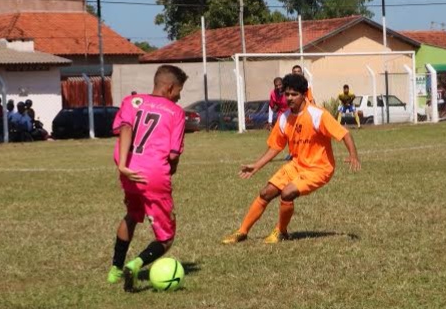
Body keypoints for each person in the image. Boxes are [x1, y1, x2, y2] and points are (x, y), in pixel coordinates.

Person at [222, 72, 361, 244]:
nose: (289, 98)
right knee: (266, 193)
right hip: (296, 165)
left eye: (294, 94)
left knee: (287, 193)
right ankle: (242, 232)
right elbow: (275, 146)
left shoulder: (318, 115)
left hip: (319, 168)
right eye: (287, 94)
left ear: (304, 95)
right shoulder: (284, 117)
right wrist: (257, 166)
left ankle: (281, 231)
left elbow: (345, 134)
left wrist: (353, 155)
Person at [108, 65, 189, 292]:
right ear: (170, 87)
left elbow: (125, 127)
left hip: (128, 171)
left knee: (132, 215)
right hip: (153, 173)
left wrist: (123, 165)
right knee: (166, 237)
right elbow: (173, 155)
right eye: (179, 90)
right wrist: (170, 171)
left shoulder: (132, 102)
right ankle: (135, 264)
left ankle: (114, 269)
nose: (180, 96)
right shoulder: (176, 112)